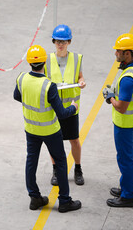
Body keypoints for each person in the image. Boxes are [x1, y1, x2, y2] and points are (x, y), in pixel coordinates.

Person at [14, 44, 82, 213]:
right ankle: (65, 201)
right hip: (50, 131)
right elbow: (62, 113)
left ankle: (34, 198)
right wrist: (73, 107)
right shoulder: (48, 85)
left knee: (31, 162)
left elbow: (17, 96)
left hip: (31, 129)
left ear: (29, 63)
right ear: (44, 62)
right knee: (60, 163)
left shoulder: (22, 78)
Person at [103, 33, 133, 207]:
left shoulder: (128, 79)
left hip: (125, 123)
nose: (116, 54)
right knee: (131, 154)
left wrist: (110, 97)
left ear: (128, 53)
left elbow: (121, 106)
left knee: (125, 158)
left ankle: (128, 196)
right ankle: (129, 186)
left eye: (119, 51)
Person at [44, 24, 86, 186]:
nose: (60, 44)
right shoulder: (47, 60)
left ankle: (78, 168)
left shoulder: (76, 59)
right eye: (57, 41)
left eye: (64, 41)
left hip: (71, 108)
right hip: (54, 109)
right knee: (55, 141)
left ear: (69, 42)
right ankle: (56, 170)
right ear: (54, 42)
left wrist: (81, 82)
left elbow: (80, 77)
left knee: (74, 140)